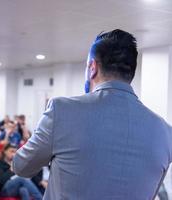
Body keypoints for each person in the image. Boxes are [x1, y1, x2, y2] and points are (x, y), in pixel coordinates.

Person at [12, 29, 172, 200]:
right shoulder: (166, 132)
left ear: (92, 68)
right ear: (131, 72)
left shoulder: (62, 110)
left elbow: (21, 166)